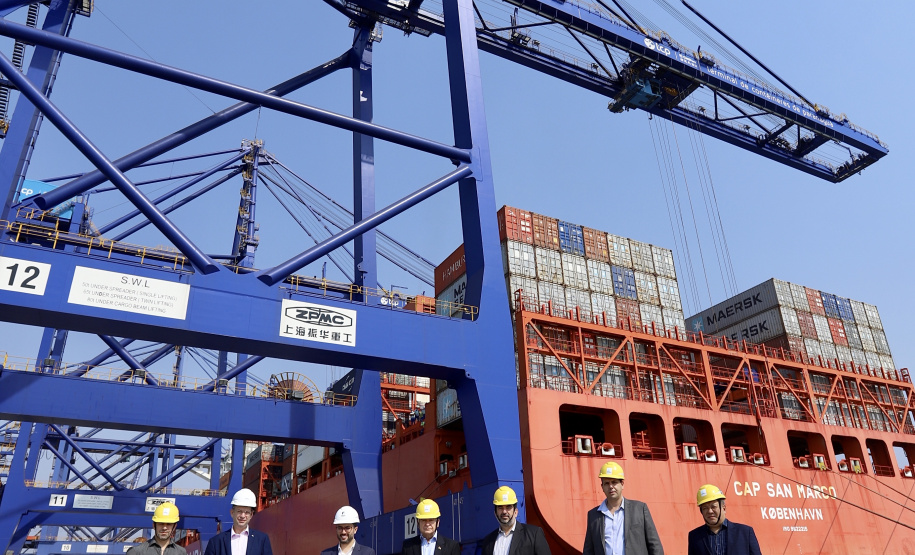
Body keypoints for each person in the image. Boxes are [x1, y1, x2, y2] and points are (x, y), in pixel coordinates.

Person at [582, 461, 663, 555]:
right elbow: (589, 551)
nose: (611, 486)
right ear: (602, 487)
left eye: (614, 482)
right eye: (606, 483)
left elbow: (655, 546)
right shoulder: (593, 515)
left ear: (622, 484)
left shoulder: (640, 509)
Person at [687, 484, 761, 555]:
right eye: (705, 508)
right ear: (701, 511)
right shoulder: (694, 536)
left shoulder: (745, 533)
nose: (710, 511)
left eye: (713, 506)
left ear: (724, 508)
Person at [480, 486, 551, 555]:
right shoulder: (488, 541)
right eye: (500, 507)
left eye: (508, 507)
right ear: (495, 513)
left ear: (515, 512)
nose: (504, 511)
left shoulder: (534, 535)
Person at [204, 488, 273, 555]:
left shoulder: (262, 540)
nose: (243, 516)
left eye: (246, 512)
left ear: (251, 515)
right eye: (239, 511)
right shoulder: (216, 542)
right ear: (232, 513)